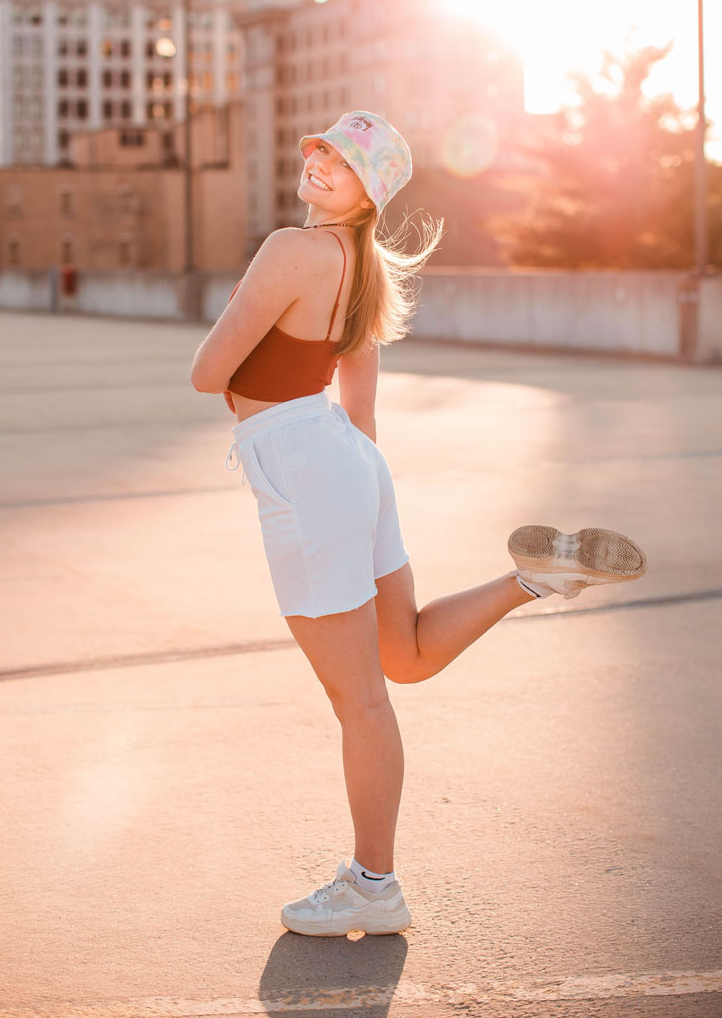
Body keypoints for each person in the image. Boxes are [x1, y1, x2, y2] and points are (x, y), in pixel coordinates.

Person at [190, 110, 648, 938]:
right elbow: (359, 416)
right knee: (399, 655)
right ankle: (533, 579)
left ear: (372, 191)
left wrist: (247, 309)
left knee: (361, 699)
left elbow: (206, 372)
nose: (323, 160)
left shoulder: (289, 249)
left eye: (346, 159)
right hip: (346, 460)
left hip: (299, 459)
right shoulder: (365, 271)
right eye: (322, 147)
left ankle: (373, 883)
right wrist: (346, 492)